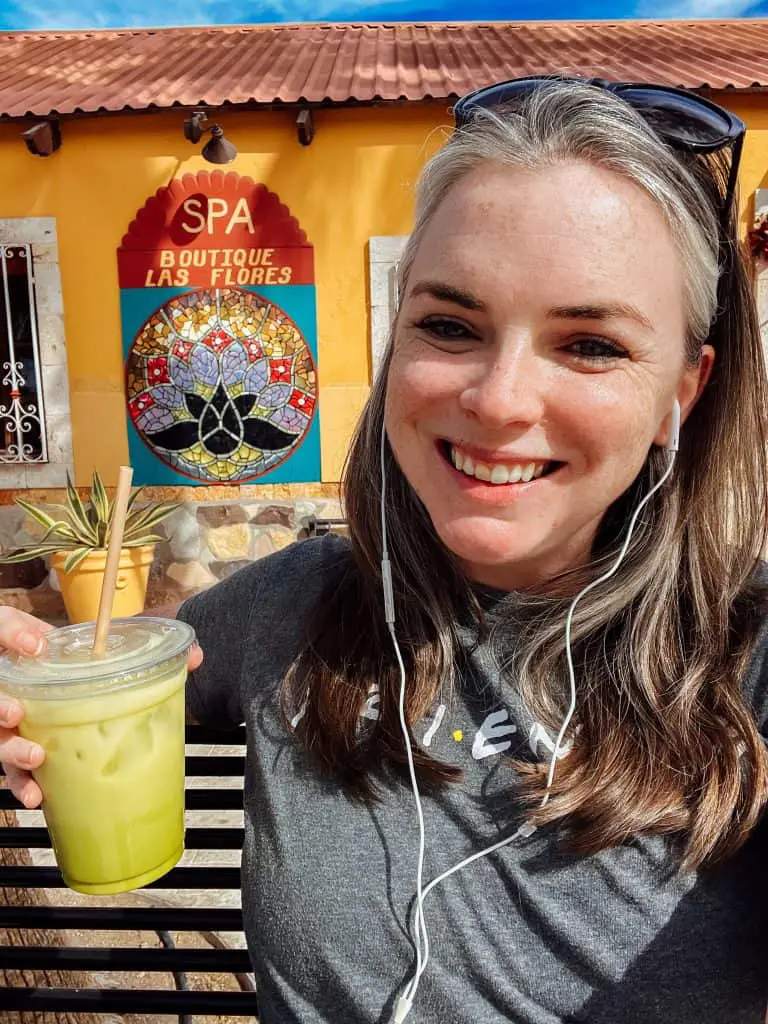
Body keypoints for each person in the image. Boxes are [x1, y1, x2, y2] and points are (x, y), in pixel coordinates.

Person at [2, 76, 768, 1024]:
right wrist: (20, 679)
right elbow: (114, 672)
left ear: (682, 394)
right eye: (450, 326)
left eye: (591, 345)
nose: (498, 400)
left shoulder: (750, 659)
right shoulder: (288, 607)